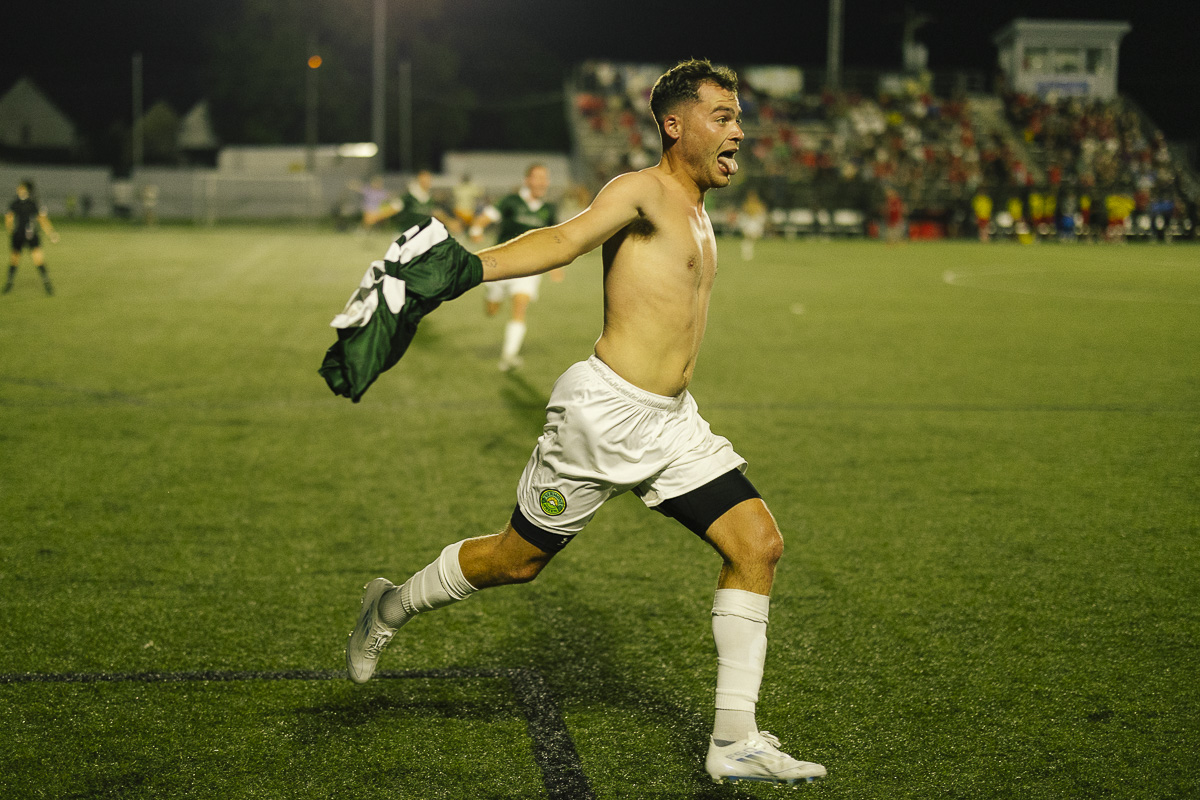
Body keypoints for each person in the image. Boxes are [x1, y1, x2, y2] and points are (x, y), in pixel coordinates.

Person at [344, 59, 826, 786]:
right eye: (723, 117)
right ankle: (388, 607)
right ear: (675, 125)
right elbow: (562, 240)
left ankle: (734, 740)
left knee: (758, 545)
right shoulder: (642, 190)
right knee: (517, 561)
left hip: (673, 423)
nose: (739, 132)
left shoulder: (699, 209)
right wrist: (469, 269)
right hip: (602, 419)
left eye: (738, 118)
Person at [470, 163, 561, 371]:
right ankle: (492, 294)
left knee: (520, 306)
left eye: (545, 178)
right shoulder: (510, 201)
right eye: (538, 177)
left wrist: (556, 265)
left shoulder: (549, 209)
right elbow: (486, 217)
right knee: (492, 310)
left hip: (528, 268)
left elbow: (553, 239)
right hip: (500, 265)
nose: (542, 182)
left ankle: (509, 356)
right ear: (527, 180)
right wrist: (476, 229)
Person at [4, 180, 58, 296]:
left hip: (31, 235)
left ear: (26, 190)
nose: (18, 189)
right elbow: (9, 217)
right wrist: (10, 230)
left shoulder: (33, 203)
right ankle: (9, 282)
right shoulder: (16, 203)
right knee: (14, 259)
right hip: (19, 235)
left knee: (38, 259)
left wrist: (51, 233)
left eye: (21, 187)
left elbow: (42, 219)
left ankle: (47, 283)